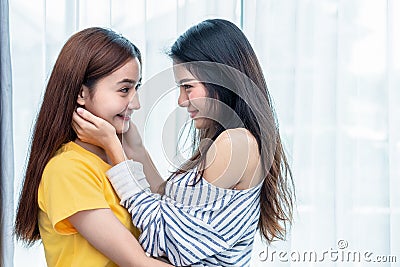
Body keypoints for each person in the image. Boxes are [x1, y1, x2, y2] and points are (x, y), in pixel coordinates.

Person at [73, 19, 295, 266]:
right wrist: (134, 147)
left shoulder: (235, 144)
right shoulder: (220, 142)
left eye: (187, 87)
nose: (181, 100)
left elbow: (168, 241)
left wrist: (113, 149)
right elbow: (169, 207)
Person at [14, 27, 172, 267]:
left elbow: (171, 222)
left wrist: (136, 148)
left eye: (136, 88)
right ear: (81, 93)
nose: (136, 103)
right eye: (124, 89)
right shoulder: (68, 170)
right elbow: (139, 263)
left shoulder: (116, 160)